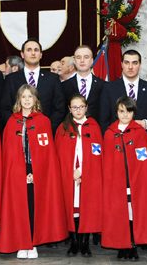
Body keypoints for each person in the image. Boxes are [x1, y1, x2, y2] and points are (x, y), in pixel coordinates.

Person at [0, 84, 67, 258]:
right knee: (19, 208)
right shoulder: (12, 121)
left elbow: (47, 153)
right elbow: (9, 152)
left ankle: (33, 243)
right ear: (19, 100)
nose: (27, 100)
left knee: (34, 207)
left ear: (35, 100)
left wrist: (35, 171)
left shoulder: (44, 121)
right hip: (16, 173)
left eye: (30, 97)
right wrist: (18, 171)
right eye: (24, 97)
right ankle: (22, 242)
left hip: (38, 172)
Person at [101, 96, 147, 260]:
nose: (125, 115)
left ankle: (133, 244)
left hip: (135, 180)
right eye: (122, 111)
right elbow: (107, 160)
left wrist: (140, 177)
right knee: (118, 212)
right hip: (116, 181)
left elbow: (143, 158)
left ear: (134, 113)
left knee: (133, 211)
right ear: (116, 112)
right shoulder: (109, 133)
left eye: (129, 111)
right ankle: (122, 245)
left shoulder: (139, 132)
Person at [55, 94, 103, 257]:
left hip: (88, 175)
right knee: (72, 207)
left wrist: (83, 170)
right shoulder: (63, 127)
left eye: (81, 107)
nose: (78, 110)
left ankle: (85, 243)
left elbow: (96, 152)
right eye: (74, 107)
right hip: (69, 175)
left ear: (86, 108)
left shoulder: (94, 126)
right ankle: (74, 242)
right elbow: (60, 154)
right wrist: (71, 171)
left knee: (86, 208)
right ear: (69, 109)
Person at [98, 49, 147, 155]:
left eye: (135, 63)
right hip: (117, 147)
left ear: (140, 65)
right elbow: (103, 120)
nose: (130, 67)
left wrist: (145, 124)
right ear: (121, 64)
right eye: (127, 62)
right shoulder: (109, 88)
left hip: (144, 147)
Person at [2, 39, 65, 132]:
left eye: (36, 50)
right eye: (29, 50)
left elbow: (59, 108)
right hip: (18, 133)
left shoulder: (53, 79)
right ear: (22, 54)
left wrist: (47, 127)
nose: (33, 53)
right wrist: (17, 127)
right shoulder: (11, 79)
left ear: (41, 55)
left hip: (45, 134)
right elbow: (5, 108)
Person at [61, 45, 105, 121]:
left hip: (96, 130)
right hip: (72, 130)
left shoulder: (103, 85)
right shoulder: (63, 86)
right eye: (78, 57)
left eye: (86, 57)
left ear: (92, 61)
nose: (82, 60)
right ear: (74, 61)